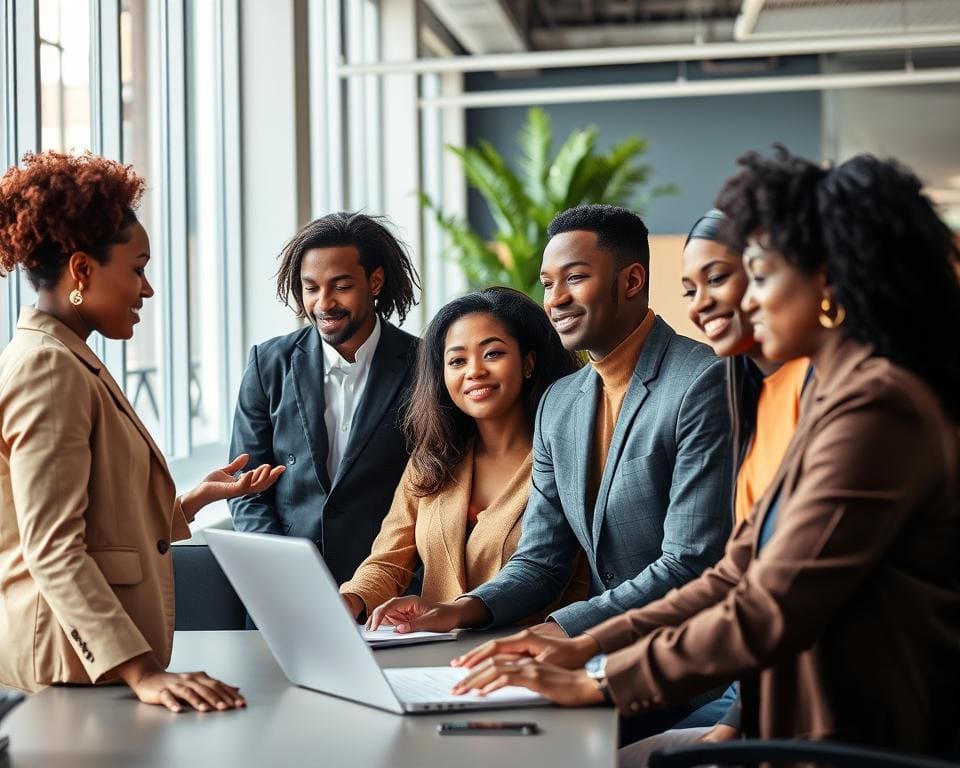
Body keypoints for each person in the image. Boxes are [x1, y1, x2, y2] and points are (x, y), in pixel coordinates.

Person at [450, 149, 960, 759]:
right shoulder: (833, 394)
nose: (747, 301)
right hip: (793, 722)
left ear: (828, 280)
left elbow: (770, 607)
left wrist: (603, 682)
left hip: (847, 738)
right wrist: (582, 646)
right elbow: (733, 571)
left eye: (762, 278)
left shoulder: (877, 406)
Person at [368, 204, 733, 645]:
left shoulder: (703, 381)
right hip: (594, 656)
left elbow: (689, 562)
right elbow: (540, 561)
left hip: (686, 659)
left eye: (575, 278)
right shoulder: (560, 403)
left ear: (632, 281)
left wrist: (560, 632)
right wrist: (456, 610)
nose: (555, 299)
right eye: (547, 284)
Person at [0, 151, 284, 711]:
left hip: (87, 667)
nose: (147, 290)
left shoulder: (65, 356)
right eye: (138, 268)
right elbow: (53, 547)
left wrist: (193, 501)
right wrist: (142, 673)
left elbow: (96, 517)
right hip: (70, 665)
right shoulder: (48, 367)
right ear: (82, 271)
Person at [617, 209, 810, 764]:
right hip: (744, 686)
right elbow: (738, 568)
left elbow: (790, 595)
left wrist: (732, 725)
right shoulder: (745, 388)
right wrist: (585, 649)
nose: (699, 304)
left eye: (717, 278)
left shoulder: (832, 397)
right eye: (688, 288)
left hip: (797, 702)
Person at [340, 287, 586, 621]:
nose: (474, 372)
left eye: (493, 354)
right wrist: (352, 599)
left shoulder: (570, 457)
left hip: (532, 654)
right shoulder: (432, 460)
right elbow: (388, 561)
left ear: (528, 363)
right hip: (434, 658)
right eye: (457, 361)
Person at [229, 212, 420, 585]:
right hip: (285, 587)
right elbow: (245, 485)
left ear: (375, 281)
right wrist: (282, 571)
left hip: (390, 590)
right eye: (311, 287)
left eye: (341, 286)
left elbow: (436, 490)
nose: (323, 303)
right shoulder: (267, 364)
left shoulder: (423, 365)